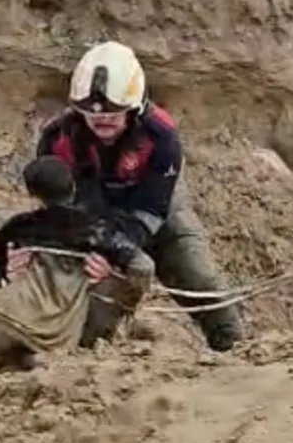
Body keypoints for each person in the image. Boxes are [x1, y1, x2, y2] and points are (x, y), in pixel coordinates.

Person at [35, 40, 241, 352]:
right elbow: (57, 208)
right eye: (91, 113)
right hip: (93, 215)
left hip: (156, 207)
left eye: (114, 112)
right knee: (114, 277)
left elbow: (153, 208)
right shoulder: (56, 141)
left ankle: (235, 348)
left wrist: (121, 247)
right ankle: (85, 349)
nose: (102, 118)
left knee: (198, 274)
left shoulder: (161, 136)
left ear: (134, 107)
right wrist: (93, 247)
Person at [0, 155, 156, 384]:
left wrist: (6, 271)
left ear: (34, 196)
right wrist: (123, 296)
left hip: (10, 319)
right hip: (58, 337)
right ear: (73, 187)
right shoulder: (97, 230)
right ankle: (30, 362)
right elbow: (143, 267)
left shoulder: (21, 226)